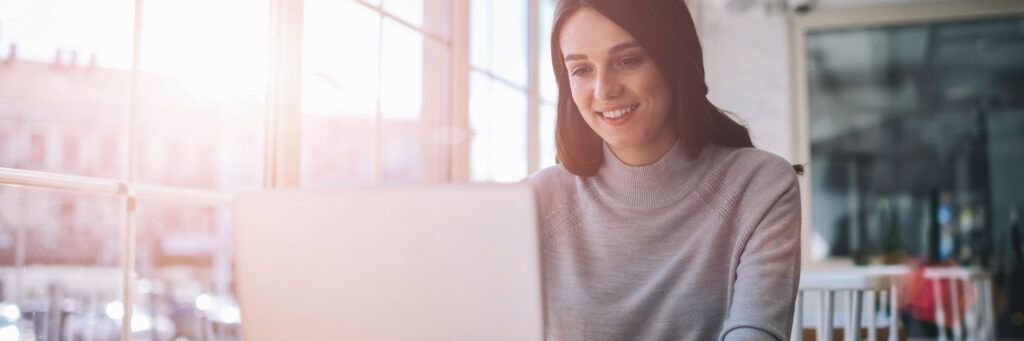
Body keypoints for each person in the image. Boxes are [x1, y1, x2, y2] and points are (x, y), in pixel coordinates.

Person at [527, 0, 802, 340]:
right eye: (582, 69)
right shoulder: (533, 202)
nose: (604, 91)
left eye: (627, 60)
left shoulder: (760, 187)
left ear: (674, 60)